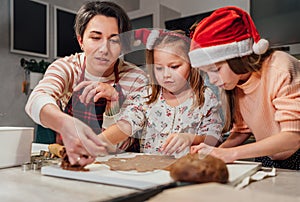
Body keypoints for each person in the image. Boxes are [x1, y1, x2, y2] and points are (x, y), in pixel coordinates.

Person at [25, 1, 148, 166]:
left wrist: (114, 103)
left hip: (119, 164)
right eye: (96, 38)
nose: (104, 49)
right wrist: (65, 124)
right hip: (72, 159)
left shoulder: (136, 78)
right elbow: (36, 99)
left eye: (114, 40)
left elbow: (125, 134)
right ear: (81, 40)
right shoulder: (67, 67)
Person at [189, 6, 300, 170]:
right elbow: (242, 131)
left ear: (236, 57)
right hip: (269, 155)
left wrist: (231, 154)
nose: (212, 79)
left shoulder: (280, 68)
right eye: (207, 73)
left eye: (216, 70)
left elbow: (293, 137)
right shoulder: (234, 83)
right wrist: (214, 154)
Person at [99, 29, 223, 157]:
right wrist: (96, 142)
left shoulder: (205, 97)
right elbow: (125, 125)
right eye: (159, 68)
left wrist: (191, 138)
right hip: (152, 172)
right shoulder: (147, 96)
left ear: (191, 65)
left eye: (174, 67)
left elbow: (214, 138)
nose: (166, 75)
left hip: (188, 170)